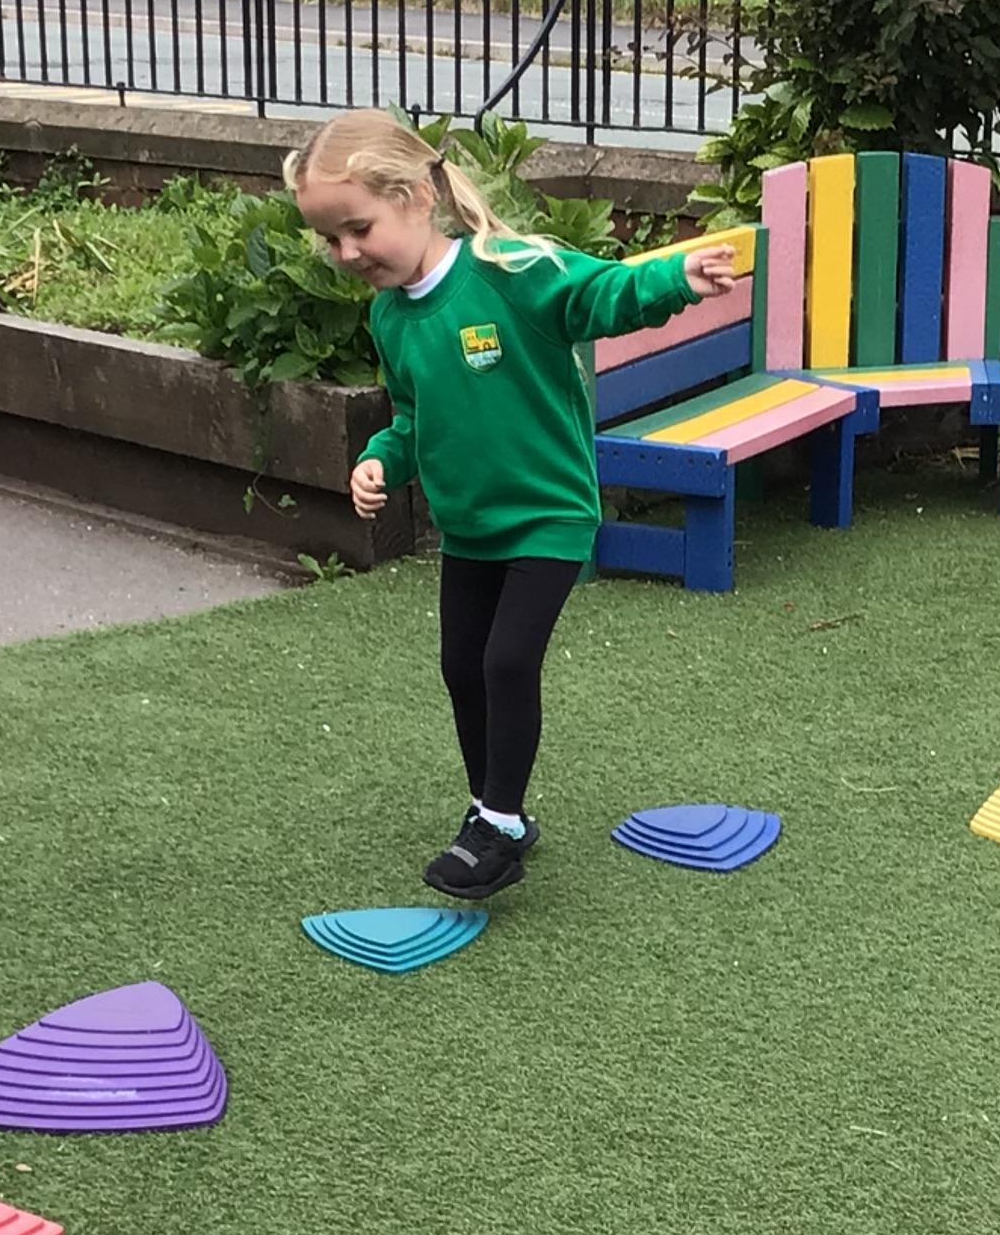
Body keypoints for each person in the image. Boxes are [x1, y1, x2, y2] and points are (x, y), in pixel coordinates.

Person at [290, 111, 741, 899]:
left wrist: (676, 280)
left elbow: (600, 291)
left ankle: (496, 825)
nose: (347, 253)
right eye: (331, 239)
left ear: (416, 196)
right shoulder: (390, 316)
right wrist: (380, 458)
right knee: (461, 667)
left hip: (548, 514)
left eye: (358, 229)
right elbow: (412, 416)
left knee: (506, 661)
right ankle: (493, 810)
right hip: (469, 526)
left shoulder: (509, 271)